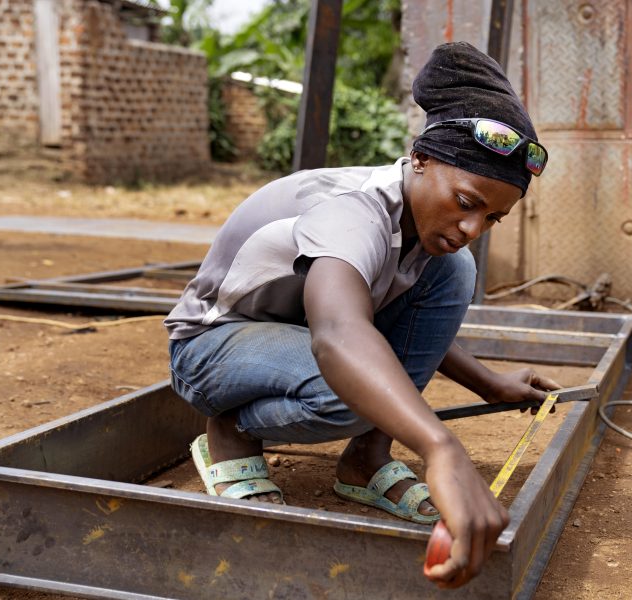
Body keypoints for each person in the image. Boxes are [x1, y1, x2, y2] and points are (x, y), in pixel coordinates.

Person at [164, 41, 556, 588]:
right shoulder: (353, 213)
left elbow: (401, 329)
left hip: (291, 337)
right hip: (211, 348)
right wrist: (440, 447)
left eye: (494, 218)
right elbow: (341, 337)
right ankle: (228, 431)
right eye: (467, 203)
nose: (473, 227)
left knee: (454, 271)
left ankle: (366, 459)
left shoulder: (422, 227)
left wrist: (489, 384)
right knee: (348, 387)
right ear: (419, 158)